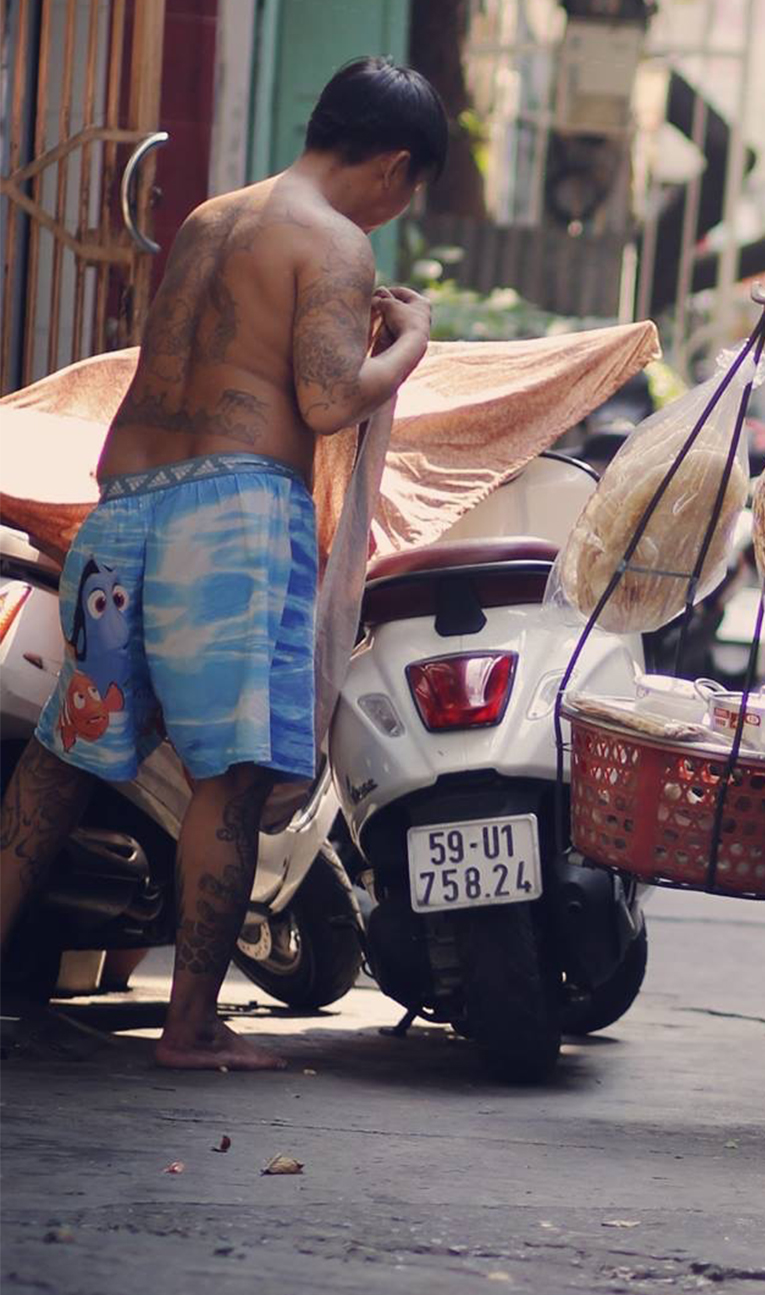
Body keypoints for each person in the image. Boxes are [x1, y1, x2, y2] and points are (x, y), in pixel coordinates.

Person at [0, 57, 443, 1070]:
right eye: (407, 187)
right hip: (232, 524)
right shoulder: (336, 241)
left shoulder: (211, 216)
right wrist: (409, 339)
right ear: (391, 164)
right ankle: (190, 1024)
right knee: (232, 774)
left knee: (65, 755)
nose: (397, 206)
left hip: (125, 511)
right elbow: (331, 399)